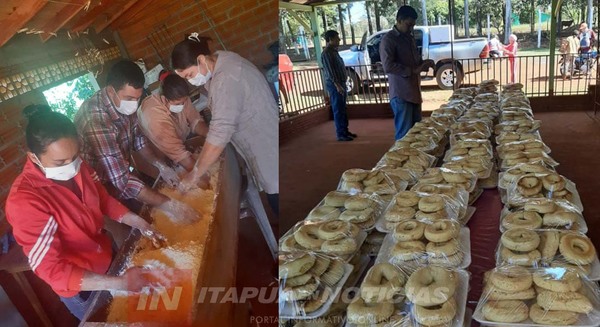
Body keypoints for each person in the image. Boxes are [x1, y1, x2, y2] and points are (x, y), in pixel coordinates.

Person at [5, 110, 169, 320]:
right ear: (33, 157)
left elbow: (103, 200)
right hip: (84, 287)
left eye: (75, 157)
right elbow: (53, 271)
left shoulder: (79, 167)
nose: (71, 167)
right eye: (60, 162)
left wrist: (137, 221)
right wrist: (120, 283)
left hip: (107, 257)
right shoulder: (25, 201)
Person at [74, 60, 198, 222]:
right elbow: (121, 178)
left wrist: (160, 165)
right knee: (132, 223)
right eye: (129, 98)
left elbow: (138, 140)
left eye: (137, 99)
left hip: (119, 171)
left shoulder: (124, 104)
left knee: (148, 210)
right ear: (111, 91)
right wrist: (171, 205)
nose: (134, 104)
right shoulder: (96, 118)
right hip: (96, 185)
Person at [171, 33, 279, 215]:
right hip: (260, 138)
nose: (190, 81)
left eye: (189, 75)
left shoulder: (227, 77)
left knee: (276, 195)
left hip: (265, 144)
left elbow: (220, 130)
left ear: (201, 59)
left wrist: (195, 174)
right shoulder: (221, 60)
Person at [380, 5, 434, 140]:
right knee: (404, 137)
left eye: (413, 26)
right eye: (409, 25)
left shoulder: (409, 38)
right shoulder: (389, 40)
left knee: (417, 133)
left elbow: (414, 61)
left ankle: (418, 161)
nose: (411, 28)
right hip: (401, 94)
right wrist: (413, 70)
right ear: (399, 20)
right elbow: (388, 66)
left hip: (414, 91)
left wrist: (424, 64)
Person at [138, 73, 208, 171]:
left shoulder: (181, 97)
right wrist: (199, 175)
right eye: (178, 104)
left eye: (184, 102)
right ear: (163, 99)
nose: (182, 105)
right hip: (158, 159)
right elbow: (177, 153)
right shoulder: (153, 114)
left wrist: (210, 137)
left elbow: (195, 120)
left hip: (177, 147)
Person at [321, 30, 357, 141]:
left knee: (342, 108)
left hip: (341, 83)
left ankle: (345, 131)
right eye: (337, 38)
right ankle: (341, 134)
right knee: (338, 108)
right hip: (335, 85)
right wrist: (337, 85)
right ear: (330, 40)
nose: (339, 40)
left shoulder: (334, 51)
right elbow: (330, 72)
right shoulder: (327, 53)